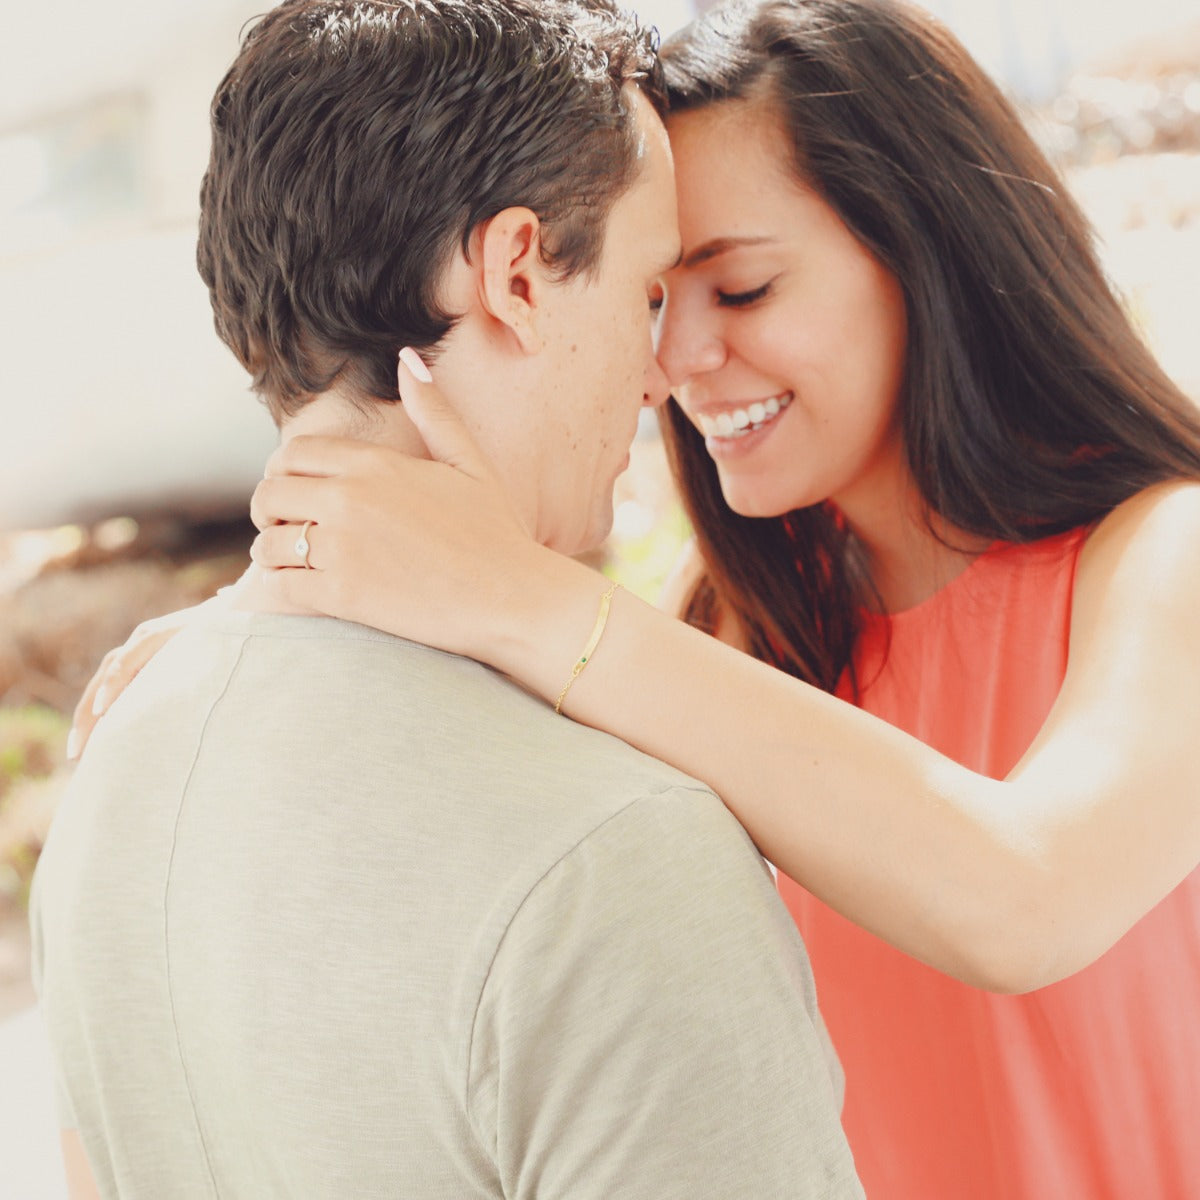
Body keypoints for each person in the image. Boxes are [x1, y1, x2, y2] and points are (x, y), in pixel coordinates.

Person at [205, 1, 1200, 1197]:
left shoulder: (1164, 557)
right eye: (655, 300)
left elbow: (1028, 902)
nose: (672, 367)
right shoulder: (722, 630)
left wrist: (518, 592)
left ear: (933, 255)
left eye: (741, 291)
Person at [30, 3, 865, 1198]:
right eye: (642, 296)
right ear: (518, 273)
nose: (657, 381)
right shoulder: (619, 856)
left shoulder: (118, 762)